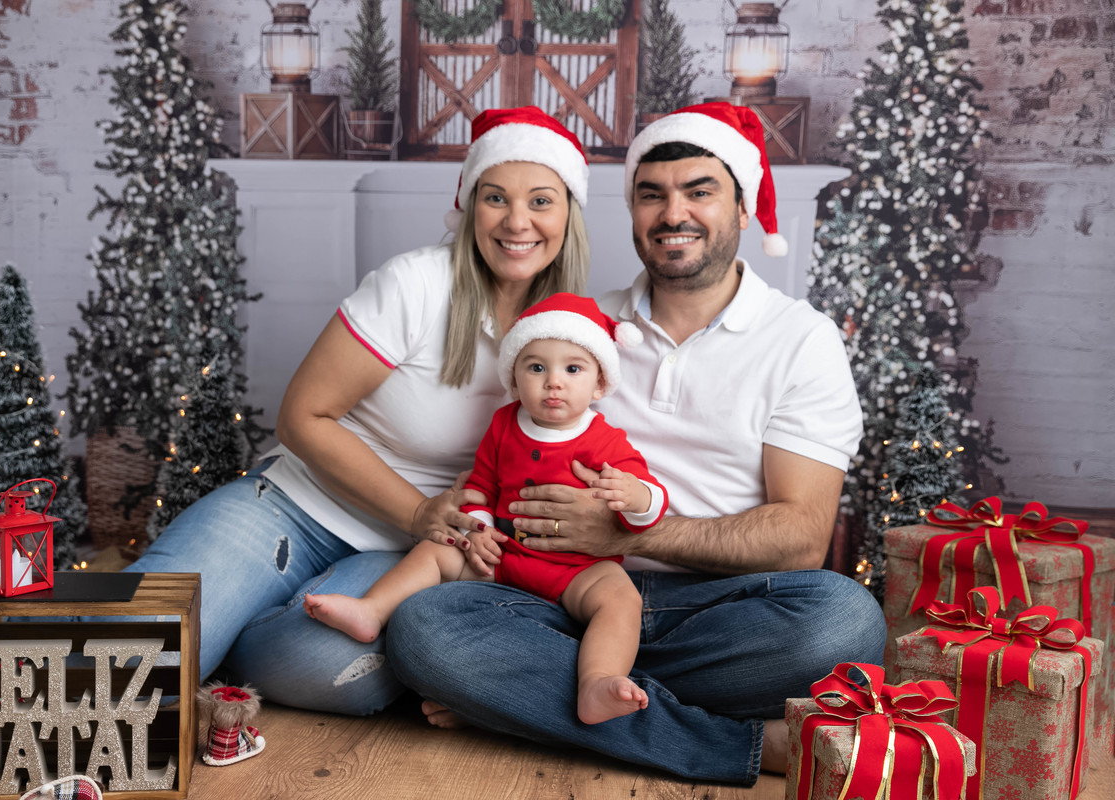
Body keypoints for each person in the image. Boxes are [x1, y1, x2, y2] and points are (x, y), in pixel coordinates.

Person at [384, 102, 887, 783]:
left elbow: (801, 539)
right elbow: (505, 456)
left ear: (744, 209)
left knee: (845, 624)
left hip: (717, 612)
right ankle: (734, 740)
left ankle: (526, 699)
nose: (673, 213)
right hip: (557, 598)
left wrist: (632, 534)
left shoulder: (801, 340)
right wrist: (479, 524)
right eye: (652, 195)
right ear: (632, 212)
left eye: (700, 191)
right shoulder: (581, 330)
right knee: (424, 629)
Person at [122, 106, 594, 714]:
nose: (517, 221)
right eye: (495, 197)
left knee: (339, 671)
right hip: (297, 506)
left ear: (568, 215)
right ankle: (208, 620)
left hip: (402, 555)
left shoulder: (571, 331)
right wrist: (420, 510)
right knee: (135, 659)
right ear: (470, 204)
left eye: (541, 201)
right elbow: (301, 417)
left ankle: (223, 636)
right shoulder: (415, 283)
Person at [305, 292, 668, 725]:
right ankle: (372, 610)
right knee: (437, 549)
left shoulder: (605, 440)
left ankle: (597, 681)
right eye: (537, 368)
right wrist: (477, 531)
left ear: (600, 385)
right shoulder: (504, 424)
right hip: (504, 555)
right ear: (514, 378)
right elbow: (480, 486)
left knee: (621, 598)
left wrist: (637, 496)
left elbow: (650, 503)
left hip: (576, 569)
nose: (554, 381)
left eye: (573, 369)